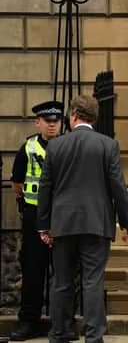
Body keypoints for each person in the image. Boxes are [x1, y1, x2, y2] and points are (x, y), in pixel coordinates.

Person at [36, 94, 128, 343]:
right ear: (94, 118)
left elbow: (45, 188)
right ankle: (93, 336)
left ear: (74, 115)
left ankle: (59, 333)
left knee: (62, 281)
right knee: (92, 282)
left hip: (63, 223)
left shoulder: (56, 145)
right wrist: (125, 221)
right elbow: (118, 187)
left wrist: (43, 225)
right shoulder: (107, 145)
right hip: (96, 223)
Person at [9, 101, 63, 341]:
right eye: (47, 121)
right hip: (33, 216)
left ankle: (63, 322)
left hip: (63, 215)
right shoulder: (28, 147)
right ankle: (29, 321)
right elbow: (17, 184)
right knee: (32, 270)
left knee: (64, 271)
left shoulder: (68, 145)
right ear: (37, 122)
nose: (52, 125)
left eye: (56, 121)